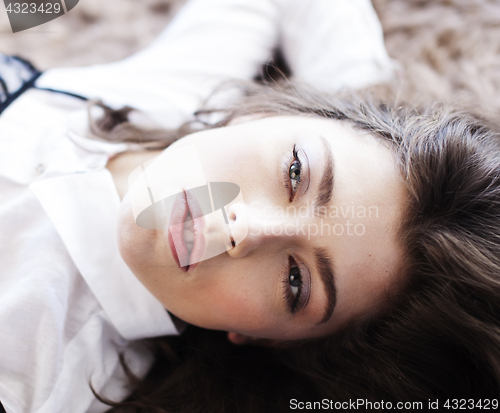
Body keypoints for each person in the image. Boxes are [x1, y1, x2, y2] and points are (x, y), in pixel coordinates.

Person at [1, 1, 499, 413]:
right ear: (263, 112)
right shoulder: (171, 89)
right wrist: (364, 97)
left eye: (296, 282)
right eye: (296, 173)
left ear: (268, 339)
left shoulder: (38, 377)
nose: (244, 230)